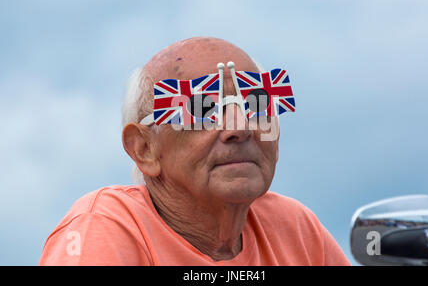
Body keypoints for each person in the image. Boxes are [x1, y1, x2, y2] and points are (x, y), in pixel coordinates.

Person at [39, 37, 350, 265]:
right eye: (202, 108)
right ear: (145, 148)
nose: (239, 128)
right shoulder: (106, 229)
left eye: (256, 104)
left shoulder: (295, 228)